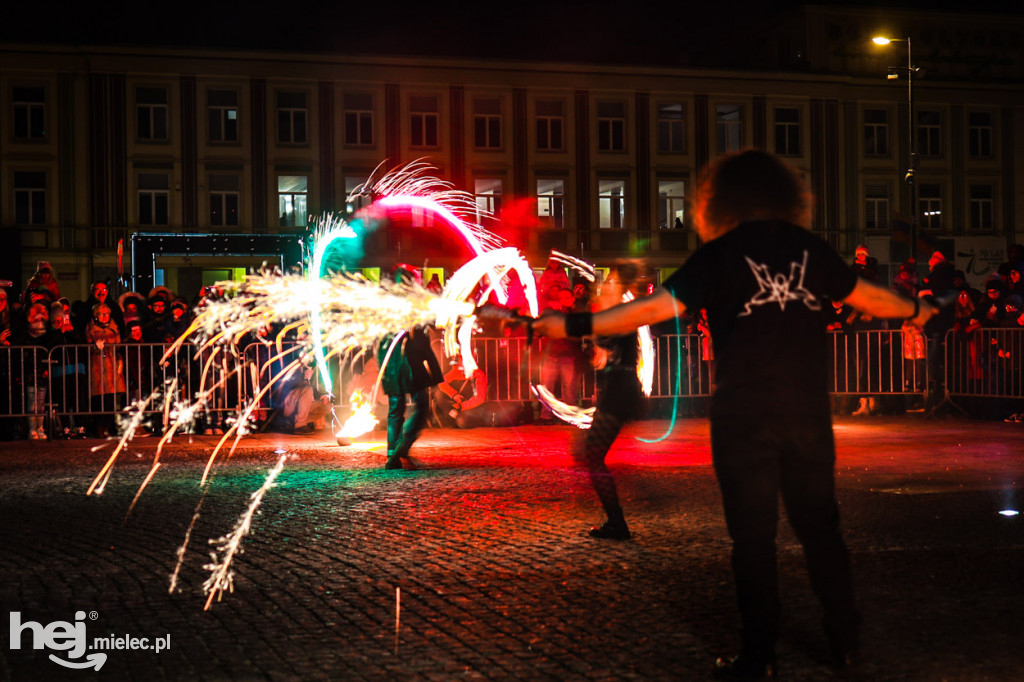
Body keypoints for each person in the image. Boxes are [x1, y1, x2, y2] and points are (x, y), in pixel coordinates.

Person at [533, 150, 937, 680]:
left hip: (742, 417)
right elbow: (870, 298)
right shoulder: (808, 249)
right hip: (805, 414)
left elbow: (649, 311)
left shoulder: (718, 256)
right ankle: (845, 643)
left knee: (752, 539)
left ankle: (759, 654)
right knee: (821, 531)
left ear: (719, 200)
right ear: (785, 196)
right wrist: (916, 309)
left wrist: (570, 324)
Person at [574, 262, 644, 540]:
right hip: (616, 389)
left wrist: (597, 342)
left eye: (612, 282)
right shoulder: (614, 314)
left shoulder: (623, 315)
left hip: (621, 390)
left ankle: (618, 523)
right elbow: (602, 352)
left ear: (622, 288)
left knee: (592, 454)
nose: (606, 286)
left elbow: (610, 345)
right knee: (591, 454)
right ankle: (616, 521)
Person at [378, 324, 443, 470]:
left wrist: (384, 377)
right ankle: (401, 448)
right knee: (422, 408)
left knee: (395, 413)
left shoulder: (385, 326)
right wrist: (436, 377)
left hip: (392, 374)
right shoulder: (416, 325)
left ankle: (392, 453)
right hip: (413, 373)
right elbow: (425, 351)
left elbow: (381, 353)